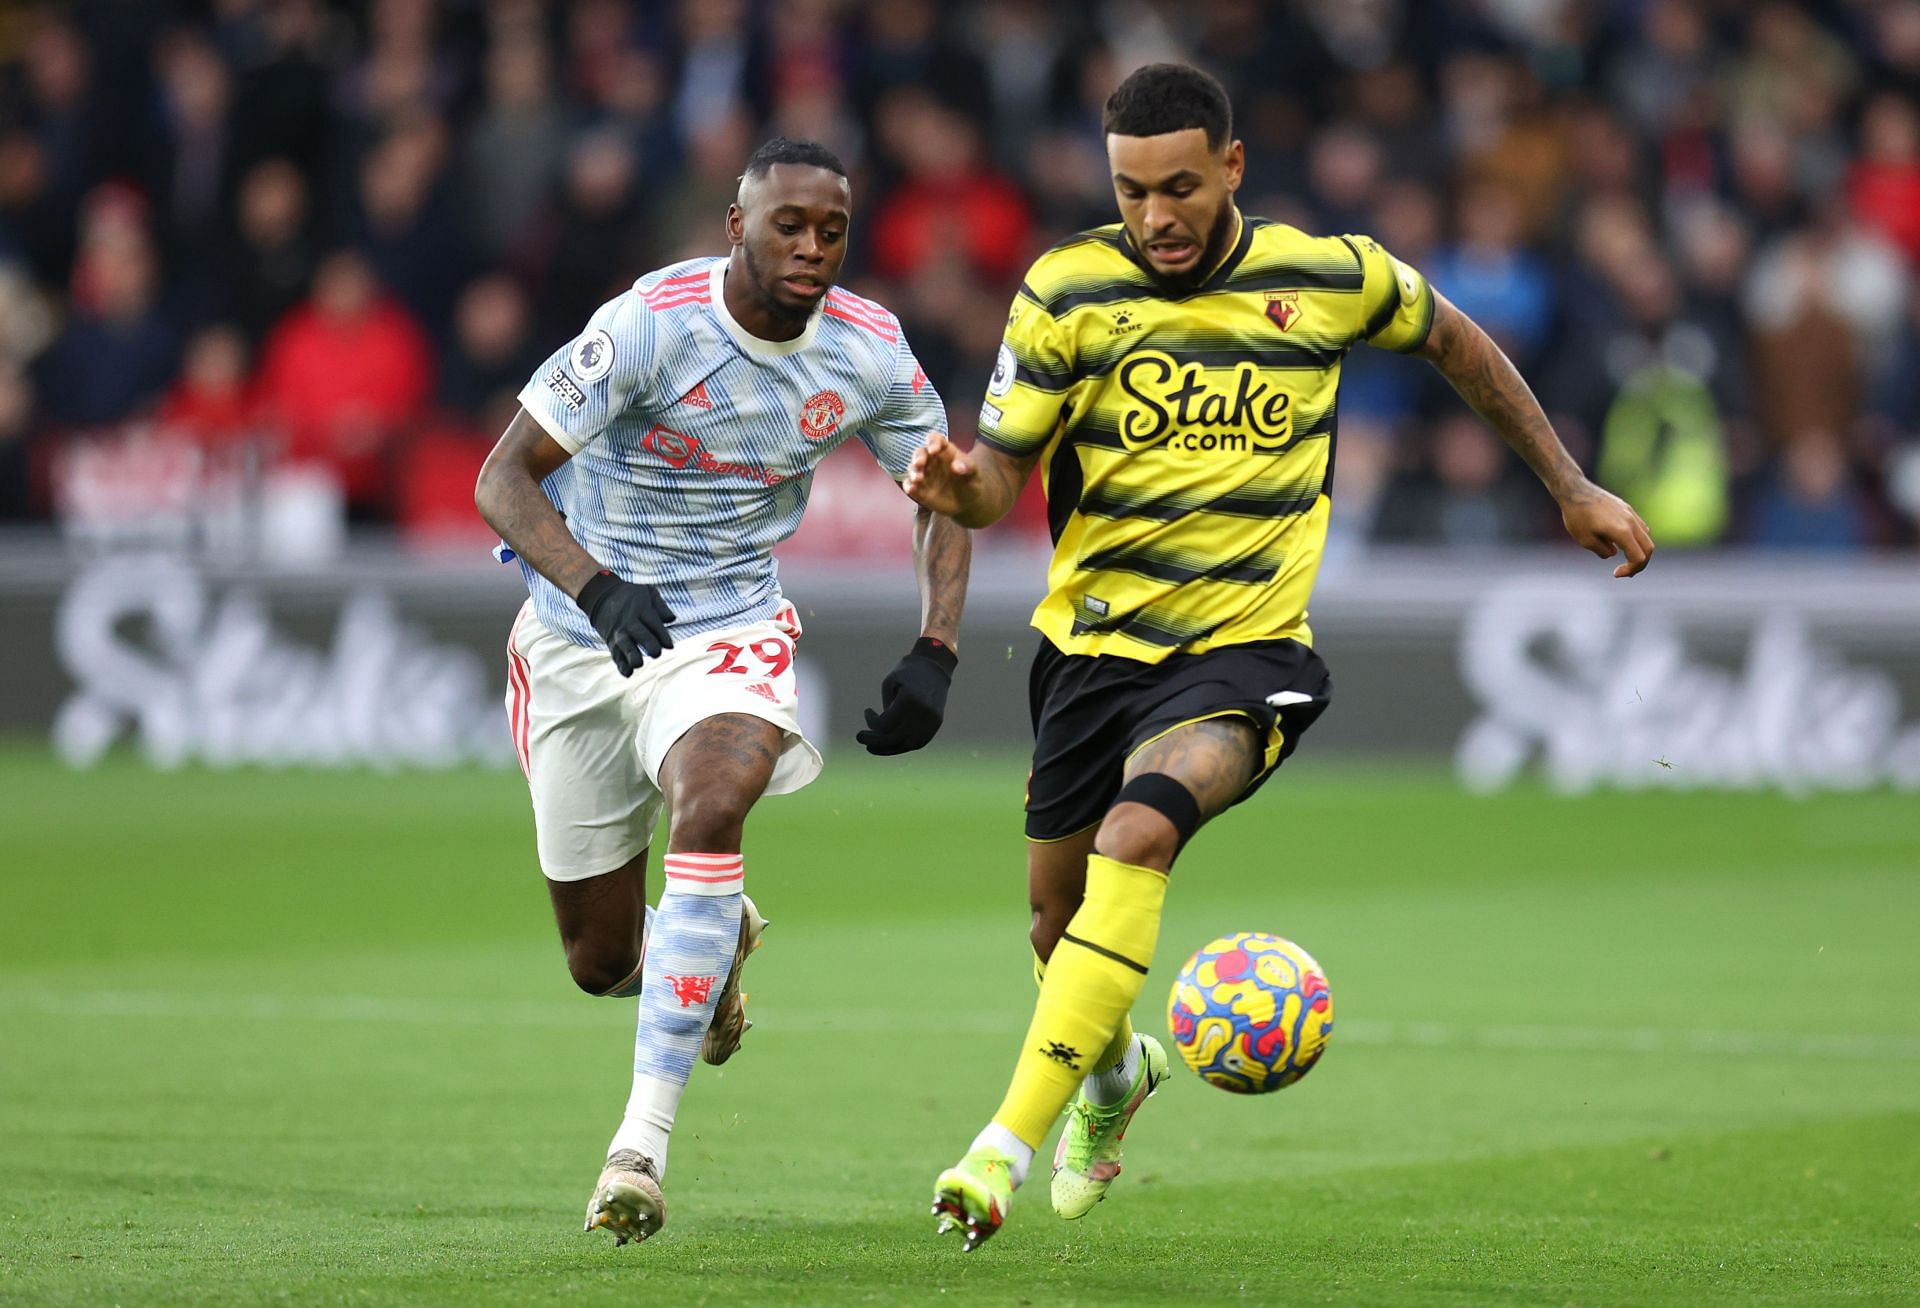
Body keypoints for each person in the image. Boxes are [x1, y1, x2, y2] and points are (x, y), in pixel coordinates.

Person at [902, 64, 1654, 1251]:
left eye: (1183, 187)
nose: (1157, 216)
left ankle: (998, 1149)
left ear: (1234, 168)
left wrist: (1569, 485)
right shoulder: (1067, 287)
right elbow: (996, 473)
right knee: (1058, 934)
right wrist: (965, 486)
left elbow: (1463, 348)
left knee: (1136, 835)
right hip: (1090, 650)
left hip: (1250, 650)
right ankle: (1112, 1080)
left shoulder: (1333, 275)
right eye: (1134, 190)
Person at [472, 136, 970, 1246]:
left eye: (831, 229)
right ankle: (715, 934)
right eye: (788, 224)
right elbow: (501, 476)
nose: (810, 247)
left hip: (728, 625)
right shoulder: (650, 324)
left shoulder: (869, 351)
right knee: (600, 961)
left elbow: (942, 491)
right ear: (737, 226)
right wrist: (596, 590)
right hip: (577, 635)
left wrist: (937, 645)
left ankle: (639, 1150)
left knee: (716, 801)